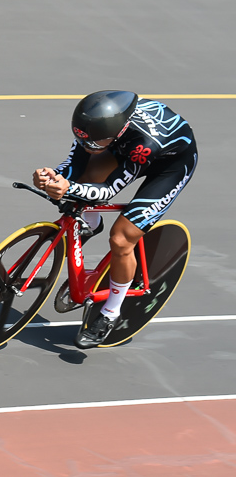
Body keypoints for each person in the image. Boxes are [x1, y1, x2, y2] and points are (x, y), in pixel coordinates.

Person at [32, 90, 197, 349]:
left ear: (117, 132)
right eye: (82, 138)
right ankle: (93, 223)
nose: (88, 146)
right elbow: (76, 160)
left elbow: (109, 190)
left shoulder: (144, 144)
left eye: (95, 143)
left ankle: (111, 312)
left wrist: (69, 188)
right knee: (85, 177)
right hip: (126, 146)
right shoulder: (94, 127)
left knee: (121, 239)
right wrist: (55, 174)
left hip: (169, 165)